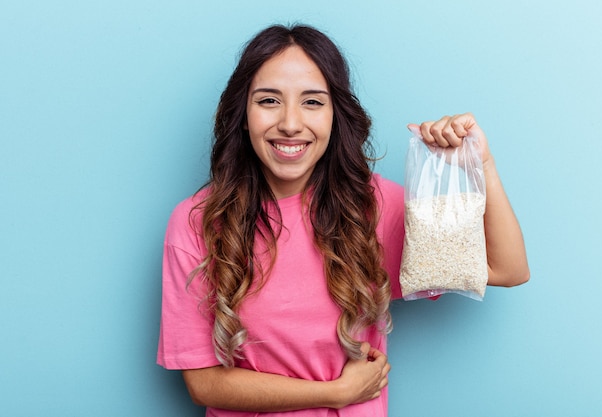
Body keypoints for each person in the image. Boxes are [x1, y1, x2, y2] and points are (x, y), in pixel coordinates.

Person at [157, 24, 529, 416]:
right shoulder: (197, 222)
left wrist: (480, 164)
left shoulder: (371, 208)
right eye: (269, 100)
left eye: (312, 102)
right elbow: (204, 383)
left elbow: (507, 268)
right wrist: (335, 393)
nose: (289, 123)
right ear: (242, 113)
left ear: (336, 115)